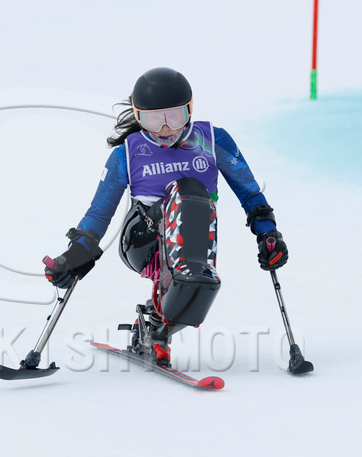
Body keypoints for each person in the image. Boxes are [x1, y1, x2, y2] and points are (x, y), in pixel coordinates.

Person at [44, 67, 288, 367]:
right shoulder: (128, 154)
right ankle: (163, 315)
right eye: (153, 119)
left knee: (199, 280)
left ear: (190, 110)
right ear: (138, 116)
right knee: (185, 191)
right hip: (142, 241)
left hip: (197, 240)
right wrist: (75, 256)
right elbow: (99, 212)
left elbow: (249, 193)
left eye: (174, 116)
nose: (164, 128)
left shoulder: (213, 140)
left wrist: (268, 234)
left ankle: (155, 323)